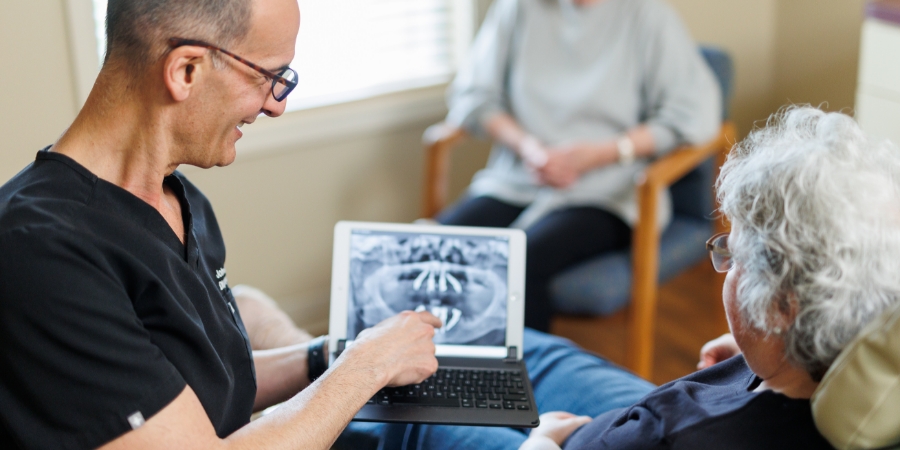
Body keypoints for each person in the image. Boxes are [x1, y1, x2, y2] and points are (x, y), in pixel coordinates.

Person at [0, 0, 443, 448]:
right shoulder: (40, 248)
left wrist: (330, 354)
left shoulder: (179, 197)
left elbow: (210, 387)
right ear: (186, 70)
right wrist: (366, 366)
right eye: (269, 77)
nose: (276, 106)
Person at [512, 107, 900, 449]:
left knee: (504, 371)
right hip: (687, 402)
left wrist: (543, 439)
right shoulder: (862, 388)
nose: (726, 264)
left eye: (732, 255)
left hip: (587, 438)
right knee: (527, 354)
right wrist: (758, 352)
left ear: (780, 307)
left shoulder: (672, 436)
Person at [439, 0, 722, 331]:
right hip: (520, 177)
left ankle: (523, 377)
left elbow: (694, 114)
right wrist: (530, 149)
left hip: (608, 190)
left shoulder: (648, 16)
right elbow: (474, 96)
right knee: (440, 246)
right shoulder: (517, 8)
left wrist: (602, 153)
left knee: (521, 263)